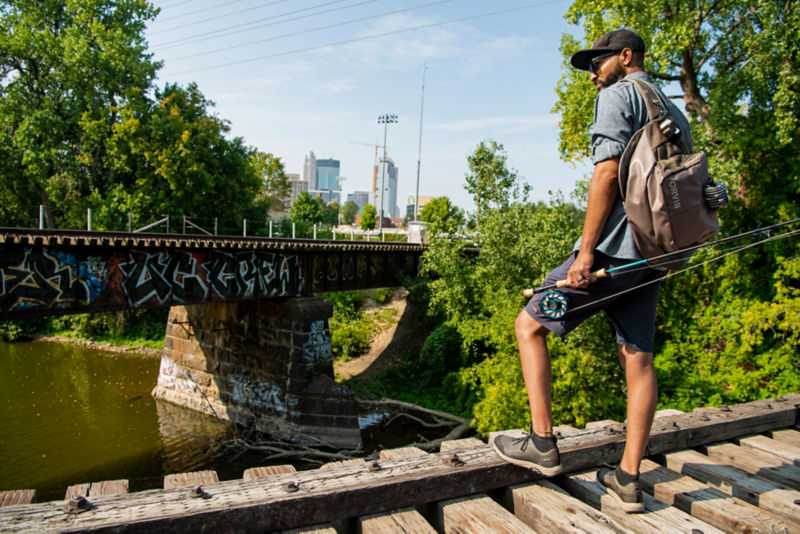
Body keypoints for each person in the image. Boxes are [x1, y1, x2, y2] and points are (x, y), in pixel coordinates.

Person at [491, 29, 691, 513]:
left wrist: (585, 255)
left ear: (626, 57)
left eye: (598, 61)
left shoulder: (619, 96)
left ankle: (542, 444)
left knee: (528, 324)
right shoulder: (673, 108)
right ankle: (626, 478)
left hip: (613, 255)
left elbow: (605, 174)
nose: (592, 73)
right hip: (654, 256)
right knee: (638, 359)